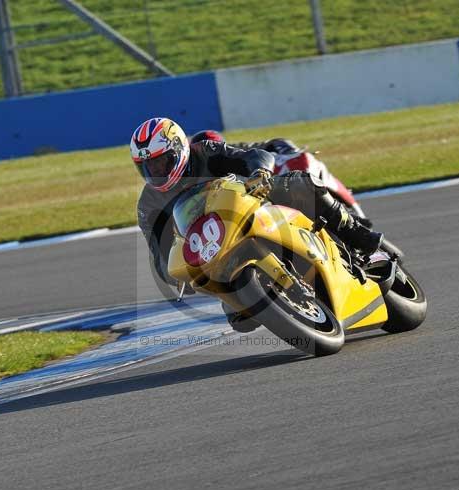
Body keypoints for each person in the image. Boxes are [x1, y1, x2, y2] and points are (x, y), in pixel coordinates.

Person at [132, 117, 383, 330]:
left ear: (179, 149)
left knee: (302, 184)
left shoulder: (205, 152)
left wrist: (260, 172)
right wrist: (175, 273)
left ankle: (354, 232)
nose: (155, 171)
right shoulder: (148, 205)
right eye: (147, 166)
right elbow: (159, 253)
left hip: (251, 205)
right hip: (215, 250)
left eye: (160, 161)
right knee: (240, 319)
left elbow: (254, 155)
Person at [190, 130, 373, 227]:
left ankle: (348, 218)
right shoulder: (198, 179)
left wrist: (285, 150)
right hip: (252, 207)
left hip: (270, 185)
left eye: (218, 144)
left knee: (302, 171)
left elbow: (270, 145)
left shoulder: (233, 151)